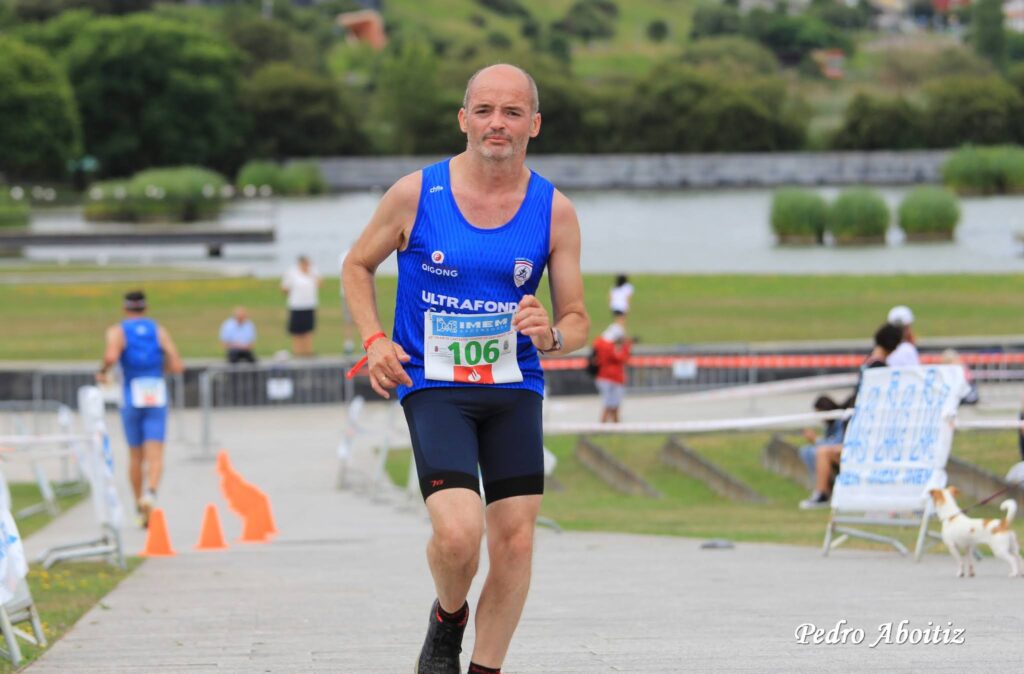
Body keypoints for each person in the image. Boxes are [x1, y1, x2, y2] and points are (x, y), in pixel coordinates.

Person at [342, 63, 589, 674]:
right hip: (433, 384)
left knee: (517, 540)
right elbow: (355, 266)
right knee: (458, 536)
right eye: (484, 110)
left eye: (511, 112)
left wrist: (551, 333)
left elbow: (579, 317)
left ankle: (484, 669)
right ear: (463, 119)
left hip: (513, 386)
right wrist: (374, 340)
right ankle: (449, 617)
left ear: (534, 124)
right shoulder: (414, 194)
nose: (496, 124)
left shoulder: (554, 210)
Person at [96, 290, 183, 527]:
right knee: (156, 454)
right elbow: (176, 364)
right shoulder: (159, 330)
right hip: (155, 393)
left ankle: (138, 504)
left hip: (130, 395)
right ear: (145, 308)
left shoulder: (118, 331)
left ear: (125, 308)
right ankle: (151, 493)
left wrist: (103, 372)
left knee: (135, 455)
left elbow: (111, 356)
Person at [799, 323, 903, 510]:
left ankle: (822, 493)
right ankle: (823, 493)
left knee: (823, 452)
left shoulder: (871, 365)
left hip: (866, 433)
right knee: (820, 452)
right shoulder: (876, 366)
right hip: (859, 428)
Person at [797, 395, 846, 483]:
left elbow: (835, 445)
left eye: (820, 413)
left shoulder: (841, 422)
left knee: (817, 452)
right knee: (806, 451)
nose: (821, 418)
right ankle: (820, 484)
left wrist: (815, 439)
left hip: (839, 453)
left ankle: (824, 487)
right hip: (833, 452)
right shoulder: (830, 426)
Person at [281, 255, 322, 357]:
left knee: (308, 330)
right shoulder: (292, 272)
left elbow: (320, 284)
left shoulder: (313, 272)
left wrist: (310, 273)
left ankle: (308, 351)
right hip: (296, 305)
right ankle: (297, 351)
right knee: (297, 331)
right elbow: (285, 288)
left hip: (309, 305)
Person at [593, 323, 631, 423]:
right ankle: (611, 426)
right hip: (613, 378)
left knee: (609, 404)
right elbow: (621, 358)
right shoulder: (608, 346)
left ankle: (608, 427)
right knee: (612, 405)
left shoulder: (599, 342)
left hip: (603, 377)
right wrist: (627, 346)